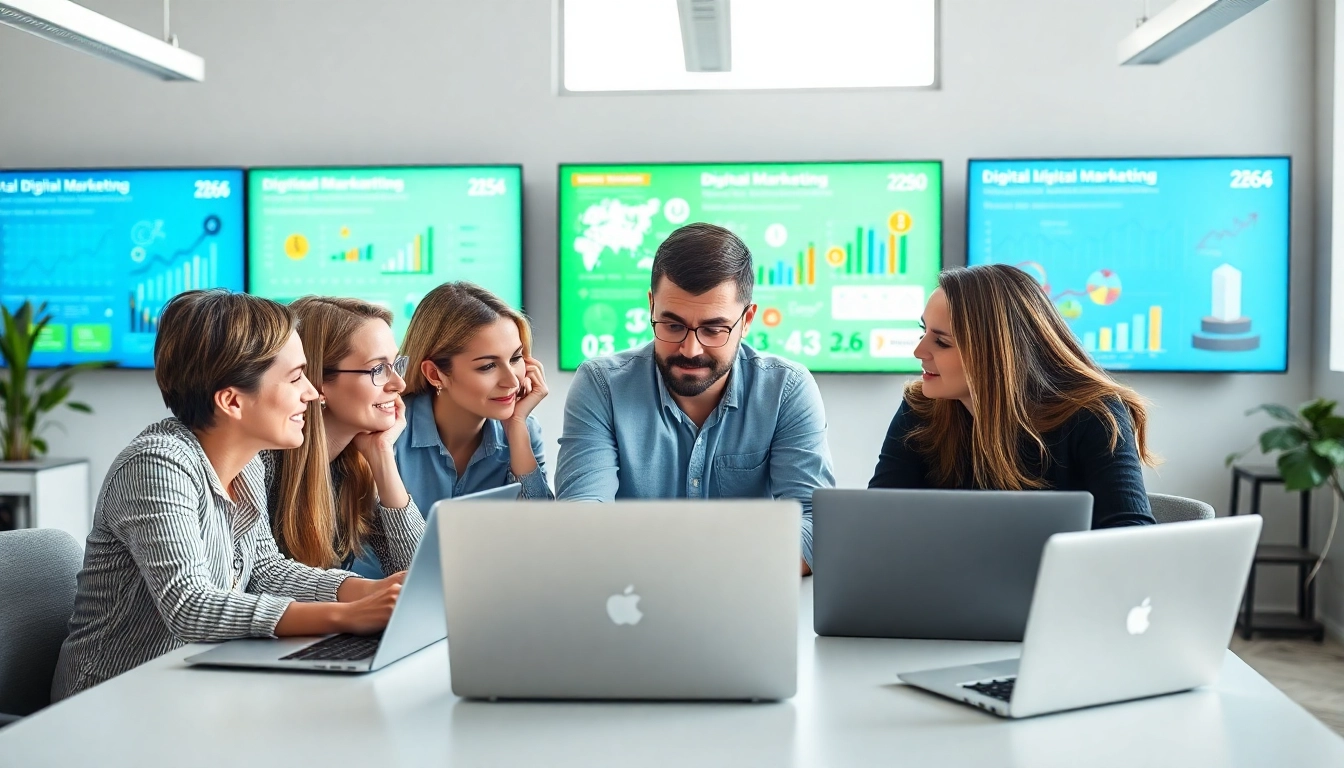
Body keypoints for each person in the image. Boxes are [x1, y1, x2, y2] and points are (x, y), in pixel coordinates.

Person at [52, 290, 402, 701]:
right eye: (295, 379)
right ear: (232, 401)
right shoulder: (156, 465)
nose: (312, 393)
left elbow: (267, 572)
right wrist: (344, 616)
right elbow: (190, 605)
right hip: (108, 705)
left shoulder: (247, 464)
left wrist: (371, 591)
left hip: (192, 687)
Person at [556, 223, 835, 575]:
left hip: (743, 607)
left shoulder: (786, 389)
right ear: (651, 305)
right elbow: (578, 524)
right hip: (629, 606)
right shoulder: (602, 385)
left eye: (713, 329)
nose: (690, 349)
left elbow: (816, 527)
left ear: (746, 320)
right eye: (672, 326)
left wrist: (692, 564)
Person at [868, 264, 1158, 528]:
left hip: (1064, 586)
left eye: (942, 341)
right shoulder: (921, 407)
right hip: (943, 586)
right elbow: (876, 522)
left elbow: (1132, 536)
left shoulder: (1094, 413)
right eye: (923, 331)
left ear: (995, 354)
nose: (919, 351)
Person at [268, 296, 424, 579]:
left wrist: (382, 455)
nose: (399, 384)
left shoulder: (353, 469)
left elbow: (421, 575)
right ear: (318, 383)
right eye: (378, 369)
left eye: (396, 364)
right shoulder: (262, 465)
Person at [394, 282, 552, 510]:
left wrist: (516, 429)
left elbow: (544, 532)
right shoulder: (391, 436)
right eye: (488, 366)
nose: (513, 381)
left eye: (515, 358)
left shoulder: (525, 430)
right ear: (435, 374)